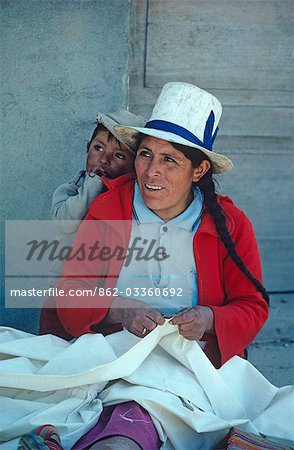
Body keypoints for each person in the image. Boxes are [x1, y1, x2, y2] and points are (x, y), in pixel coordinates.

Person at [54, 82, 269, 449]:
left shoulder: (230, 225)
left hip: (190, 365)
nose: (151, 172)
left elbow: (252, 306)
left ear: (199, 170)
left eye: (170, 160)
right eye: (145, 154)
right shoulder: (107, 211)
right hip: (113, 357)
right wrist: (119, 309)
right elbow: (70, 294)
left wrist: (209, 319)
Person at [39, 110, 146, 339]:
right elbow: (65, 223)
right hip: (62, 297)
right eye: (98, 148)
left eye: (119, 155)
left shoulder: (130, 202)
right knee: (55, 355)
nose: (104, 160)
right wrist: (94, 186)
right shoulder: (71, 190)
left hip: (103, 303)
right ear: (87, 147)